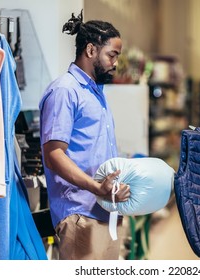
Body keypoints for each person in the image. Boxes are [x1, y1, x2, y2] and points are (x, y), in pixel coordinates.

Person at [39, 14, 130, 260]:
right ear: (91, 50)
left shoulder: (95, 93)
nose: (115, 63)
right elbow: (54, 155)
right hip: (81, 213)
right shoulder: (65, 91)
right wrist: (97, 188)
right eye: (112, 55)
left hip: (106, 211)